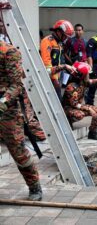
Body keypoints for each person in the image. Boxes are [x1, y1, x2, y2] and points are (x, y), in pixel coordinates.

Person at [0, 41, 42, 201]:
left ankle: (34, 187)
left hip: (7, 111)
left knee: (18, 151)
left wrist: (2, 102)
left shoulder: (9, 52)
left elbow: (16, 85)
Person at [40, 20, 74, 100]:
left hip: (58, 75)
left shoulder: (59, 43)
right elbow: (47, 64)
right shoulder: (47, 41)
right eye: (65, 36)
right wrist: (54, 79)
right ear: (58, 32)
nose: (66, 38)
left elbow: (60, 59)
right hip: (49, 78)